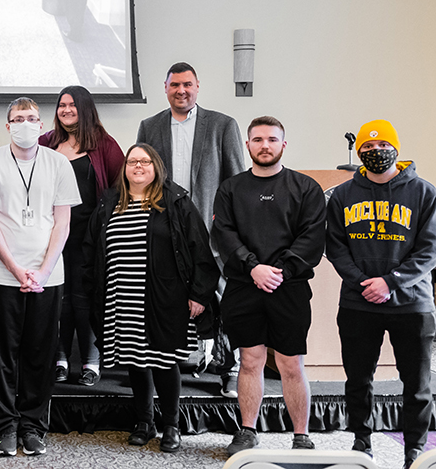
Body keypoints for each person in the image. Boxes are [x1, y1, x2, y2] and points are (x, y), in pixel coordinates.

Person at [85, 143, 218, 452]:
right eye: (132, 161)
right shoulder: (109, 203)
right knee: (133, 358)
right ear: (125, 168)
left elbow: (200, 248)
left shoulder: (174, 201)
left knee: (162, 359)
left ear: (157, 167)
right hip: (122, 297)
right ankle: (144, 422)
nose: (138, 166)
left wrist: (199, 294)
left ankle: (171, 425)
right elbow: (91, 249)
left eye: (145, 161)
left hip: (165, 296)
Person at [211, 117, 326, 454]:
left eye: (272, 140)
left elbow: (312, 239)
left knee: (291, 363)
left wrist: (277, 272)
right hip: (244, 286)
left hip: (289, 288)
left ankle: (301, 436)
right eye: (258, 139)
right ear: (247, 145)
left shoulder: (306, 188)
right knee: (250, 360)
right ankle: (247, 431)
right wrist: (253, 268)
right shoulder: (230, 188)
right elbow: (224, 235)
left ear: (283, 145)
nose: (265, 145)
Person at [325, 120, 436, 469]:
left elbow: (430, 249)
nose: (376, 152)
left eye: (382, 146)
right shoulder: (342, 195)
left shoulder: (423, 192)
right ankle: (362, 443)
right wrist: (363, 282)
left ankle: (414, 452)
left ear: (396, 149)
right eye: (368, 149)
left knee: (417, 385)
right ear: (359, 154)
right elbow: (335, 246)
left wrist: (391, 282)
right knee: (358, 380)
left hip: (412, 304)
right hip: (359, 303)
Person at [0, 98, 80, 457]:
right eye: (18, 119)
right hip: (1, 274)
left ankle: (33, 425)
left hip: (48, 276)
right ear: (7, 127)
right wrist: (17, 269)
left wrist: (43, 270)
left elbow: (63, 221)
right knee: (2, 355)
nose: (25, 124)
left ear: (42, 125)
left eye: (32, 119)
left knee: (40, 354)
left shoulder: (58, 163)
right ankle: (4, 426)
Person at [136, 61, 246, 397]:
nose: (181, 91)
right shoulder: (150, 126)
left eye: (187, 84)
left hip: (212, 231)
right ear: (165, 88)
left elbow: (236, 180)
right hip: (167, 230)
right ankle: (165, 367)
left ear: (197, 86)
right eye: (174, 85)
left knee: (225, 299)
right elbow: (142, 175)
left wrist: (229, 225)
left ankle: (231, 368)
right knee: (166, 300)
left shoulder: (222, 125)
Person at [39, 85, 122, 386]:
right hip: (52, 236)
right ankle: (59, 359)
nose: (66, 110)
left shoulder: (105, 144)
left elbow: (118, 189)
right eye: (61, 105)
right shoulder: (45, 142)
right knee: (58, 299)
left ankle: (91, 360)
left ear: (85, 108)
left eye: (72, 105)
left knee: (85, 298)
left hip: (90, 238)